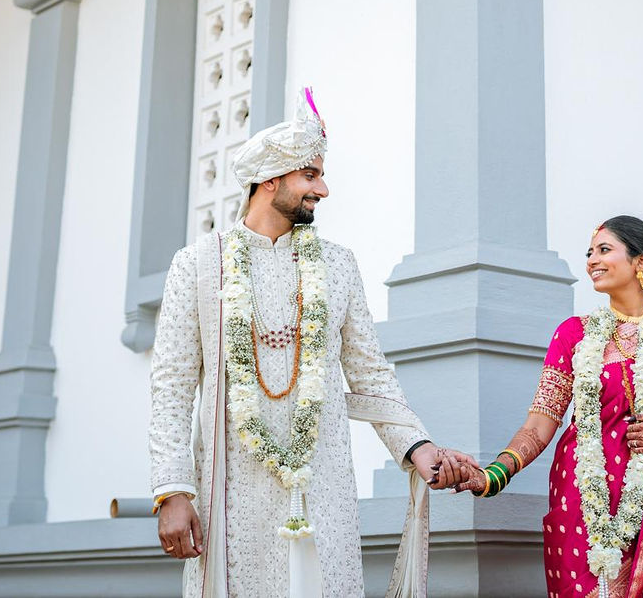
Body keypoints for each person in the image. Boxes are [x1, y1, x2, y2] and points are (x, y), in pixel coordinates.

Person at [148, 88, 474, 597]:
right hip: (233, 490)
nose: (323, 188)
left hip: (323, 481)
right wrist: (173, 490)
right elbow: (171, 384)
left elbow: (369, 371)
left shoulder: (338, 264)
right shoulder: (197, 265)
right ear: (270, 179)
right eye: (310, 174)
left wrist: (417, 446)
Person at [462, 216, 643, 598]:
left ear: (640, 261)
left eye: (604, 250)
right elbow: (539, 423)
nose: (592, 261)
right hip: (580, 503)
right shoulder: (573, 335)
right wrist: (494, 475)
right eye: (589, 253)